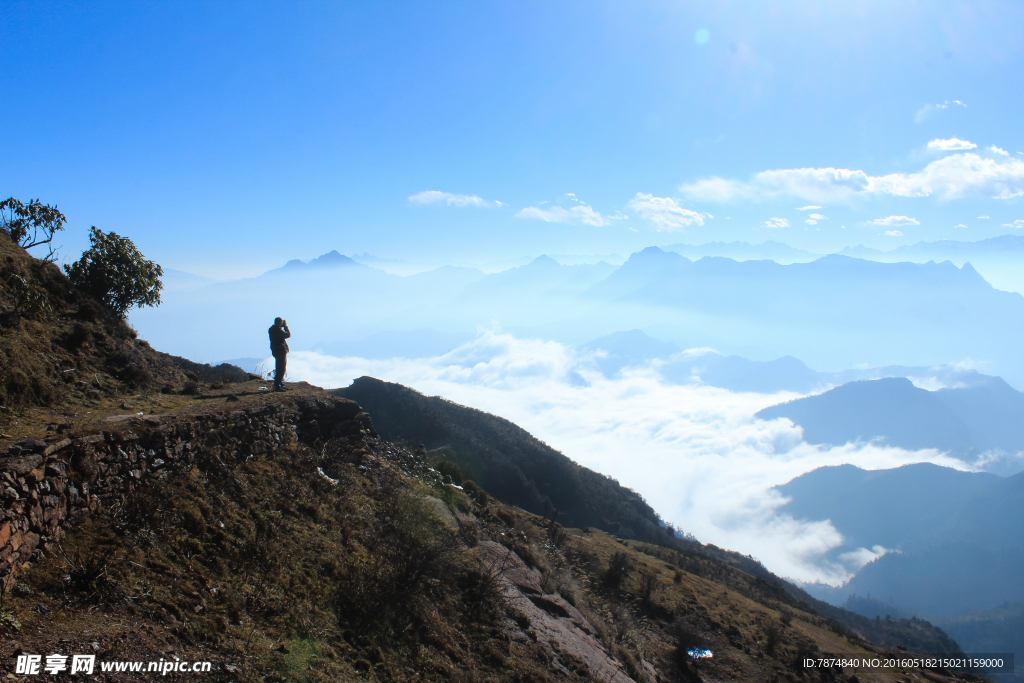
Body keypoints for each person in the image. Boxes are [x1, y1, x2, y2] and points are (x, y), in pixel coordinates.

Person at [268, 317, 291, 391]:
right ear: (279, 323)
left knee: (280, 368)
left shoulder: (272, 329)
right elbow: (287, 335)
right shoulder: (276, 330)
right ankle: (277, 385)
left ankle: (280, 384)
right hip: (280, 350)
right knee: (281, 368)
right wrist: (285, 327)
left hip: (276, 350)